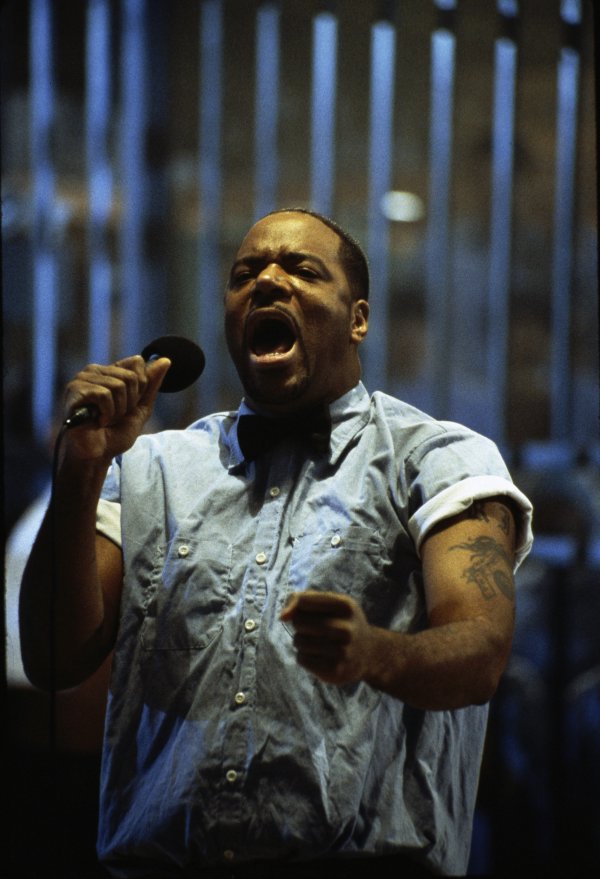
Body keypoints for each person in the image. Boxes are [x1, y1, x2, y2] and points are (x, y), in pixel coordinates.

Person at [20, 208, 533, 878]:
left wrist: (374, 652)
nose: (266, 281)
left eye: (301, 269)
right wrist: (80, 469)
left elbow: (482, 653)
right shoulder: (151, 470)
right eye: (245, 274)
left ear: (358, 319)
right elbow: (53, 657)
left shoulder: (438, 458)